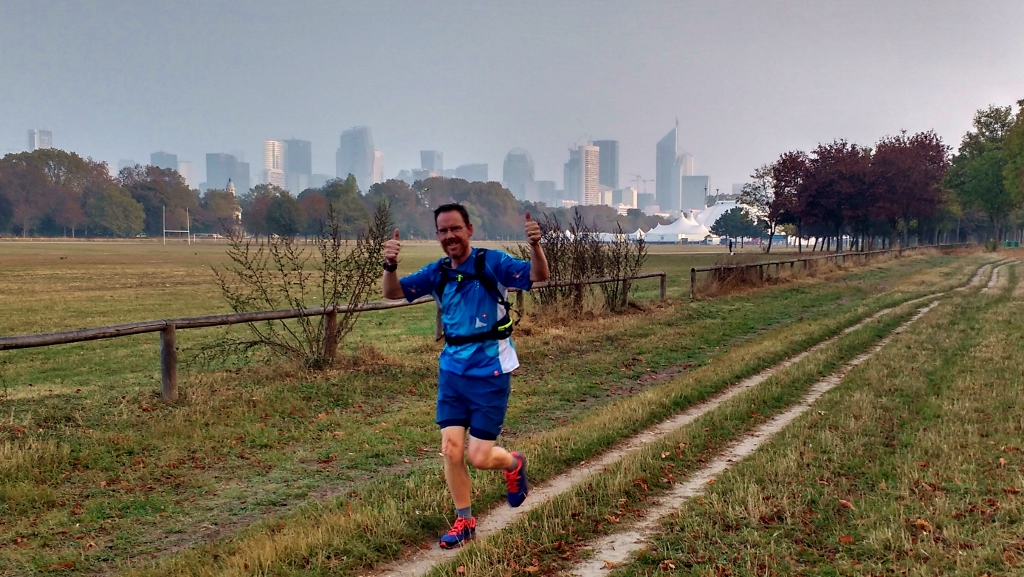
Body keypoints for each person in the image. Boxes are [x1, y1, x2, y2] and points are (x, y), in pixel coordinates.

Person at [381, 203, 549, 549]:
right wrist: (390, 265)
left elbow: (538, 275)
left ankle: (513, 462)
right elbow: (393, 292)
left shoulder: (492, 262)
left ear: (469, 229)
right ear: (437, 235)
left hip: (490, 371)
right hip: (452, 373)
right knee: (451, 449)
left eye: (455, 228)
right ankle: (465, 521)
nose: (450, 236)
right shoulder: (438, 272)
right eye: (443, 231)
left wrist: (535, 246)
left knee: (479, 457)